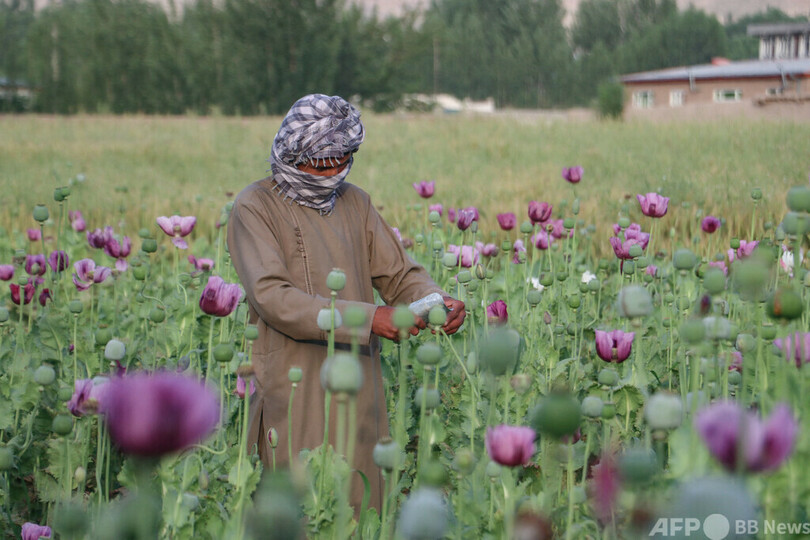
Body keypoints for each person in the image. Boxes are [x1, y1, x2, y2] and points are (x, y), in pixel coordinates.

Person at [226, 94, 465, 512]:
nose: (334, 172)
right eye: (322, 162)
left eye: (344, 159)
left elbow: (399, 274)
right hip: (293, 380)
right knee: (302, 507)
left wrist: (434, 300)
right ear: (293, 152)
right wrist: (370, 319)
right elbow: (273, 298)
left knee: (361, 504)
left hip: (359, 381)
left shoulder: (355, 202)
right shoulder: (254, 206)